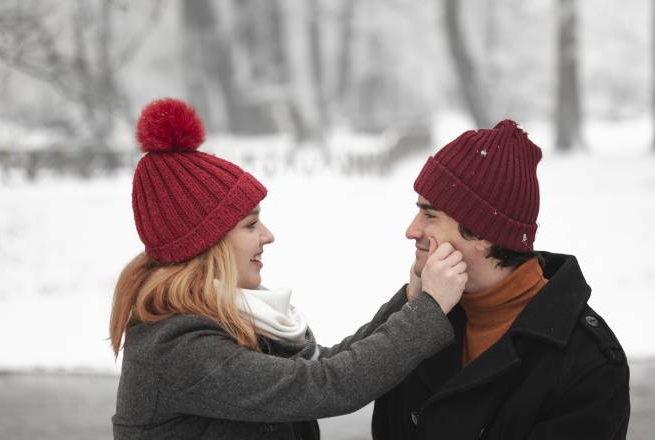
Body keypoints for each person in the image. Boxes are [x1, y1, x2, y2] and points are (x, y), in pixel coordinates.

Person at [109, 98, 468, 440]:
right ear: (207, 244)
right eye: (250, 226)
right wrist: (428, 312)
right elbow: (324, 385)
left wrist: (410, 300)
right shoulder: (178, 351)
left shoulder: (229, 318)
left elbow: (325, 364)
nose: (268, 236)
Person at [372, 120, 630, 440]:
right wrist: (413, 309)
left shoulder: (587, 365)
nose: (411, 230)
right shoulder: (425, 317)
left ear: (481, 232)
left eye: (430, 214)